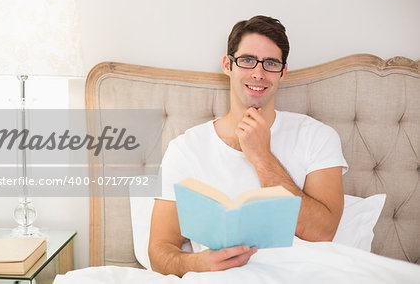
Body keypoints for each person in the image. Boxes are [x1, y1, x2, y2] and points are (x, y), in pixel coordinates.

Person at [148, 15, 348, 277]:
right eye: (247, 60)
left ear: (283, 72)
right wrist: (198, 264)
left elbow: (323, 231)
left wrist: (262, 157)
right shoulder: (185, 149)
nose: (258, 73)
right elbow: (159, 250)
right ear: (227, 65)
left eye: (271, 63)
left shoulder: (318, 137)